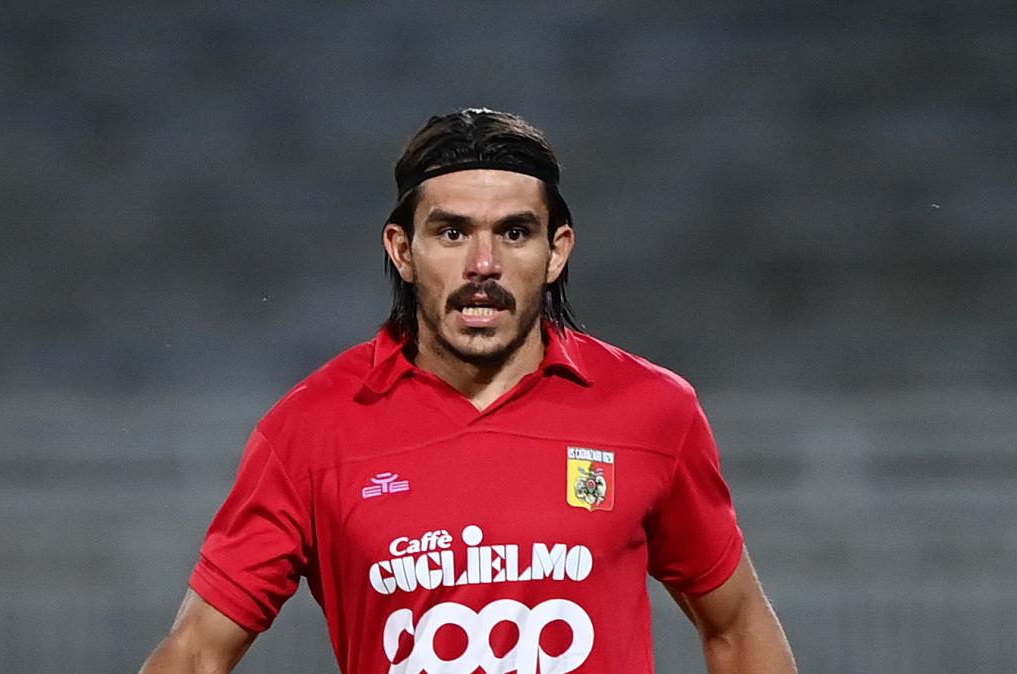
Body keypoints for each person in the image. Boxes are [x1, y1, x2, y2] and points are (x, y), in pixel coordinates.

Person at [140, 108, 796, 674]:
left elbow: (737, 625)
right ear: (403, 250)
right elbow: (195, 652)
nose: (484, 265)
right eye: (452, 232)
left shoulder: (652, 411)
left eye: (514, 232)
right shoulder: (311, 430)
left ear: (557, 251)